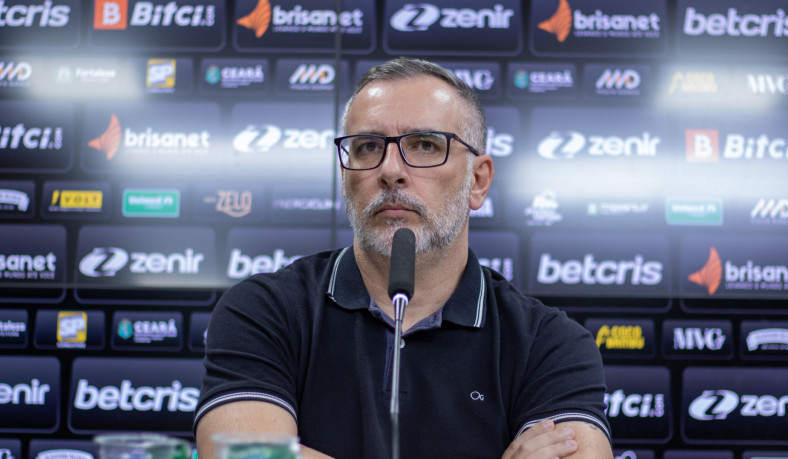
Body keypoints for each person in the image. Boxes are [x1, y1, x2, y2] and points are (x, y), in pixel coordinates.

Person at [194, 57, 612, 458]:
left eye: (426, 145)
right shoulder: (266, 310)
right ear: (345, 176)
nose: (390, 170)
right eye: (368, 147)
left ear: (478, 182)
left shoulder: (548, 343)